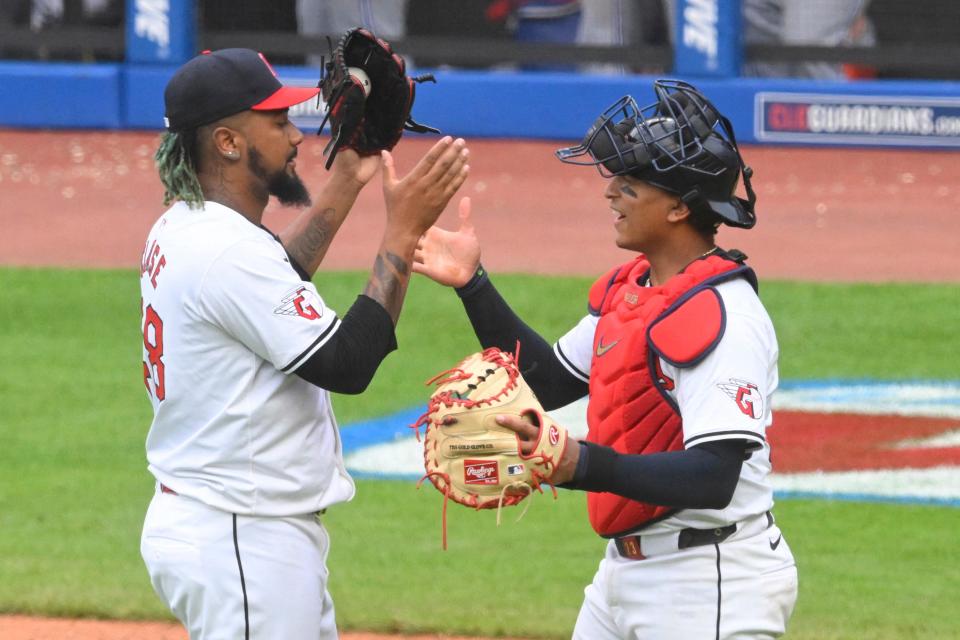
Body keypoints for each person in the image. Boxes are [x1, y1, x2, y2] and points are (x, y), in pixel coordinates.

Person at [413, 80, 797, 639]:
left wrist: (582, 465)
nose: (611, 192)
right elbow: (547, 382)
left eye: (631, 182)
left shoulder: (725, 314)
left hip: (709, 581)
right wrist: (473, 284)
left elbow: (715, 476)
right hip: (624, 573)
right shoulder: (634, 290)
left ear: (678, 207)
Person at [138, 48, 469, 639]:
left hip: (233, 527)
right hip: (241, 537)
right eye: (277, 120)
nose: (296, 134)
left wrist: (346, 180)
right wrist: (403, 231)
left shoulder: (189, 224)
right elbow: (347, 362)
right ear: (228, 142)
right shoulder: (227, 252)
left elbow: (269, 282)